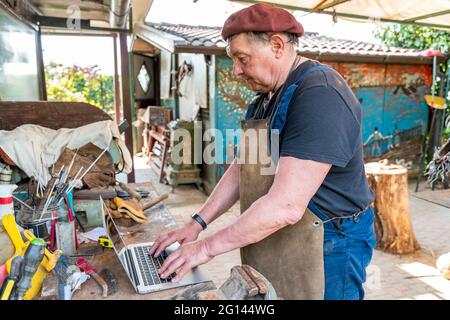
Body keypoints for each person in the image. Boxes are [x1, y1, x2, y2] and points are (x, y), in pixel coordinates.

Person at [149, 3, 376, 300]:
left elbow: (286, 206)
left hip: (330, 242)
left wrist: (205, 248)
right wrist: (196, 224)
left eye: (242, 58)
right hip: (282, 233)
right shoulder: (265, 99)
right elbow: (243, 168)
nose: (236, 70)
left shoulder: (319, 93)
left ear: (278, 45)